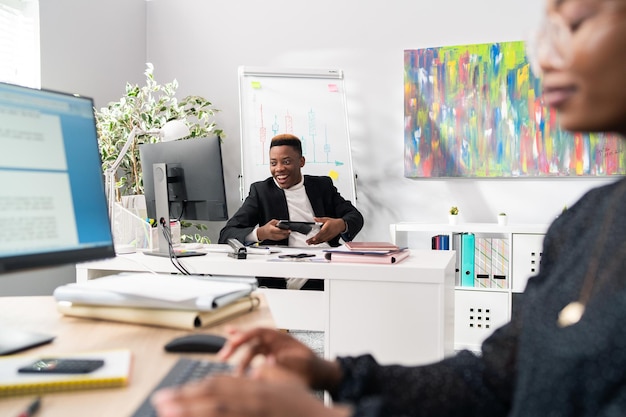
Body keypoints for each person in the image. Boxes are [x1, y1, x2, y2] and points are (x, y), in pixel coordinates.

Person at [152, 0, 626, 415]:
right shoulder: (587, 219)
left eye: (577, 22)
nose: (543, 56)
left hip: (320, 268)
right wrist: (332, 374)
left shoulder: (322, 184)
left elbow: (351, 217)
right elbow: (495, 379)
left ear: (299, 162)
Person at [218, 133, 364, 290]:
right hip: (285, 268)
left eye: (286, 162)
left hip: (325, 262)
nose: (279, 169)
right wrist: (260, 233)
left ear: (301, 162)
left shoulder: (322, 186)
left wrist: (340, 225)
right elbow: (227, 233)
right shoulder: (261, 192)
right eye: (273, 163)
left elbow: (355, 217)